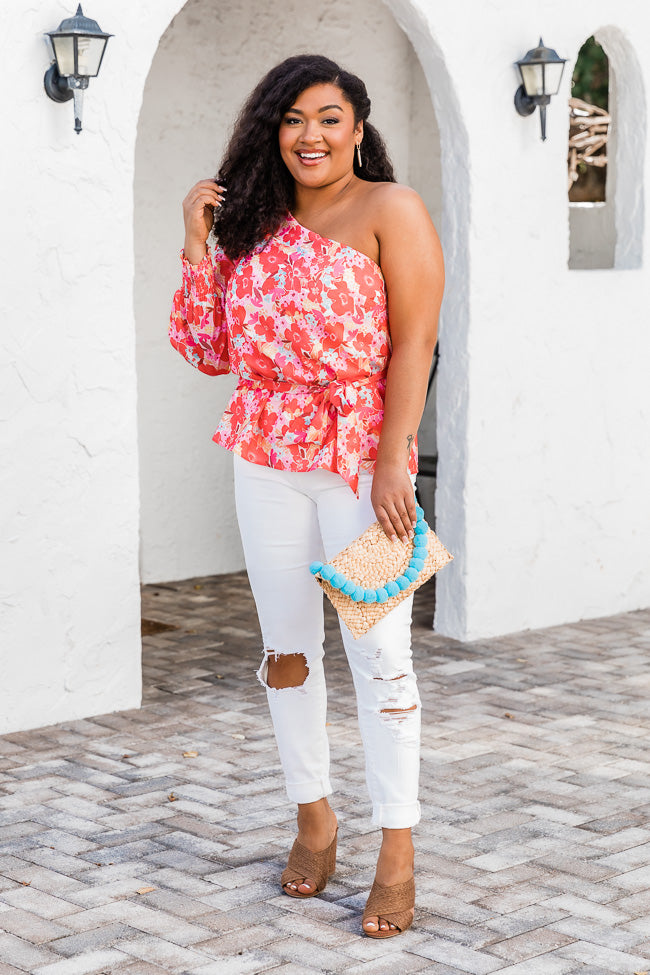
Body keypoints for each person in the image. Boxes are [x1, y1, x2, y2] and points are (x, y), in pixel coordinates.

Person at [169, 54, 444, 939]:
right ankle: (314, 818)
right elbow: (210, 350)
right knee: (287, 651)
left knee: (382, 658)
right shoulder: (255, 219)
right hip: (265, 456)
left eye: (329, 118)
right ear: (271, 130)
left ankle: (395, 850)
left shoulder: (390, 210)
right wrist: (196, 242)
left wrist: (395, 459)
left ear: (358, 128)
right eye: (292, 119)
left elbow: (415, 344)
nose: (311, 135)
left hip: (363, 462)